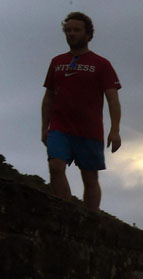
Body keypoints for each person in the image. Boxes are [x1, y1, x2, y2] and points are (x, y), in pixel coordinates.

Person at [41, 11, 121, 212]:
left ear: (88, 34)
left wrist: (115, 130)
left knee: (90, 178)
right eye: (68, 30)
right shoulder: (57, 62)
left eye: (77, 30)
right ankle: (66, 216)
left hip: (89, 130)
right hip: (59, 127)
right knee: (55, 168)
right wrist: (45, 127)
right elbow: (49, 96)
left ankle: (91, 223)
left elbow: (112, 98)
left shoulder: (102, 64)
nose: (71, 34)